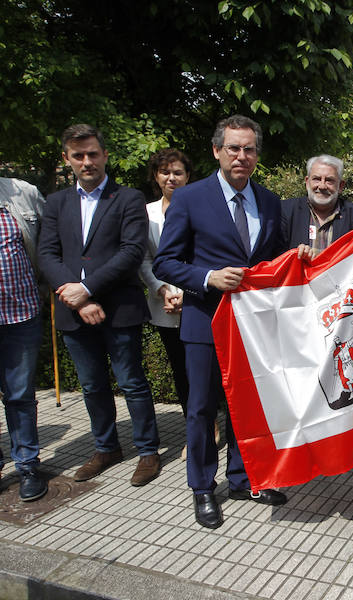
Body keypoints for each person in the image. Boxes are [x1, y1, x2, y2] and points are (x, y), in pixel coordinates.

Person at [154, 115, 287, 529]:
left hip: (252, 327)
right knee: (201, 409)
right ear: (217, 151)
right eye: (233, 148)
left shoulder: (268, 201)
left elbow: (272, 261)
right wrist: (207, 278)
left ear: (256, 155)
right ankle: (202, 488)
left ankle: (244, 479)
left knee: (246, 407)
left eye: (249, 149)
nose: (241, 156)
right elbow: (165, 261)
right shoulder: (190, 198)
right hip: (205, 322)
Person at [38, 124, 161, 487]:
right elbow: (47, 253)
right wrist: (76, 296)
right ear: (67, 159)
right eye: (78, 156)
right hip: (74, 310)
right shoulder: (56, 203)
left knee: (132, 382)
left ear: (105, 155)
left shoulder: (128, 199)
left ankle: (147, 450)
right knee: (92, 386)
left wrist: (87, 288)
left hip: (119, 308)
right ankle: (106, 448)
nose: (87, 161)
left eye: (93, 154)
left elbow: (131, 252)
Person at [0, 177, 47, 500]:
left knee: (20, 395)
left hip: (20, 313)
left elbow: (48, 242)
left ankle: (28, 464)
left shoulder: (22, 192)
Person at [138, 149, 191, 420]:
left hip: (196, 301)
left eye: (177, 172)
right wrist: (162, 289)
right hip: (164, 302)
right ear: (156, 177)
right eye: (165, 172)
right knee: (179, 368)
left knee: (208, 368)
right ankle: (196, 427)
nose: (171, 178)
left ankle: (213, 422)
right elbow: (144, 257)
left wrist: (187, 294)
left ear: (187, 176)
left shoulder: (200, 207)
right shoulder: (145, 213)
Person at [281, 154, 353, 258]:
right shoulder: (286, 210)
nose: (322, 186)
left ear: (340, 186)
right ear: (307, 183)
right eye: (316, 179)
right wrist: (294, 255)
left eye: (329, 180)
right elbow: (275, 257)